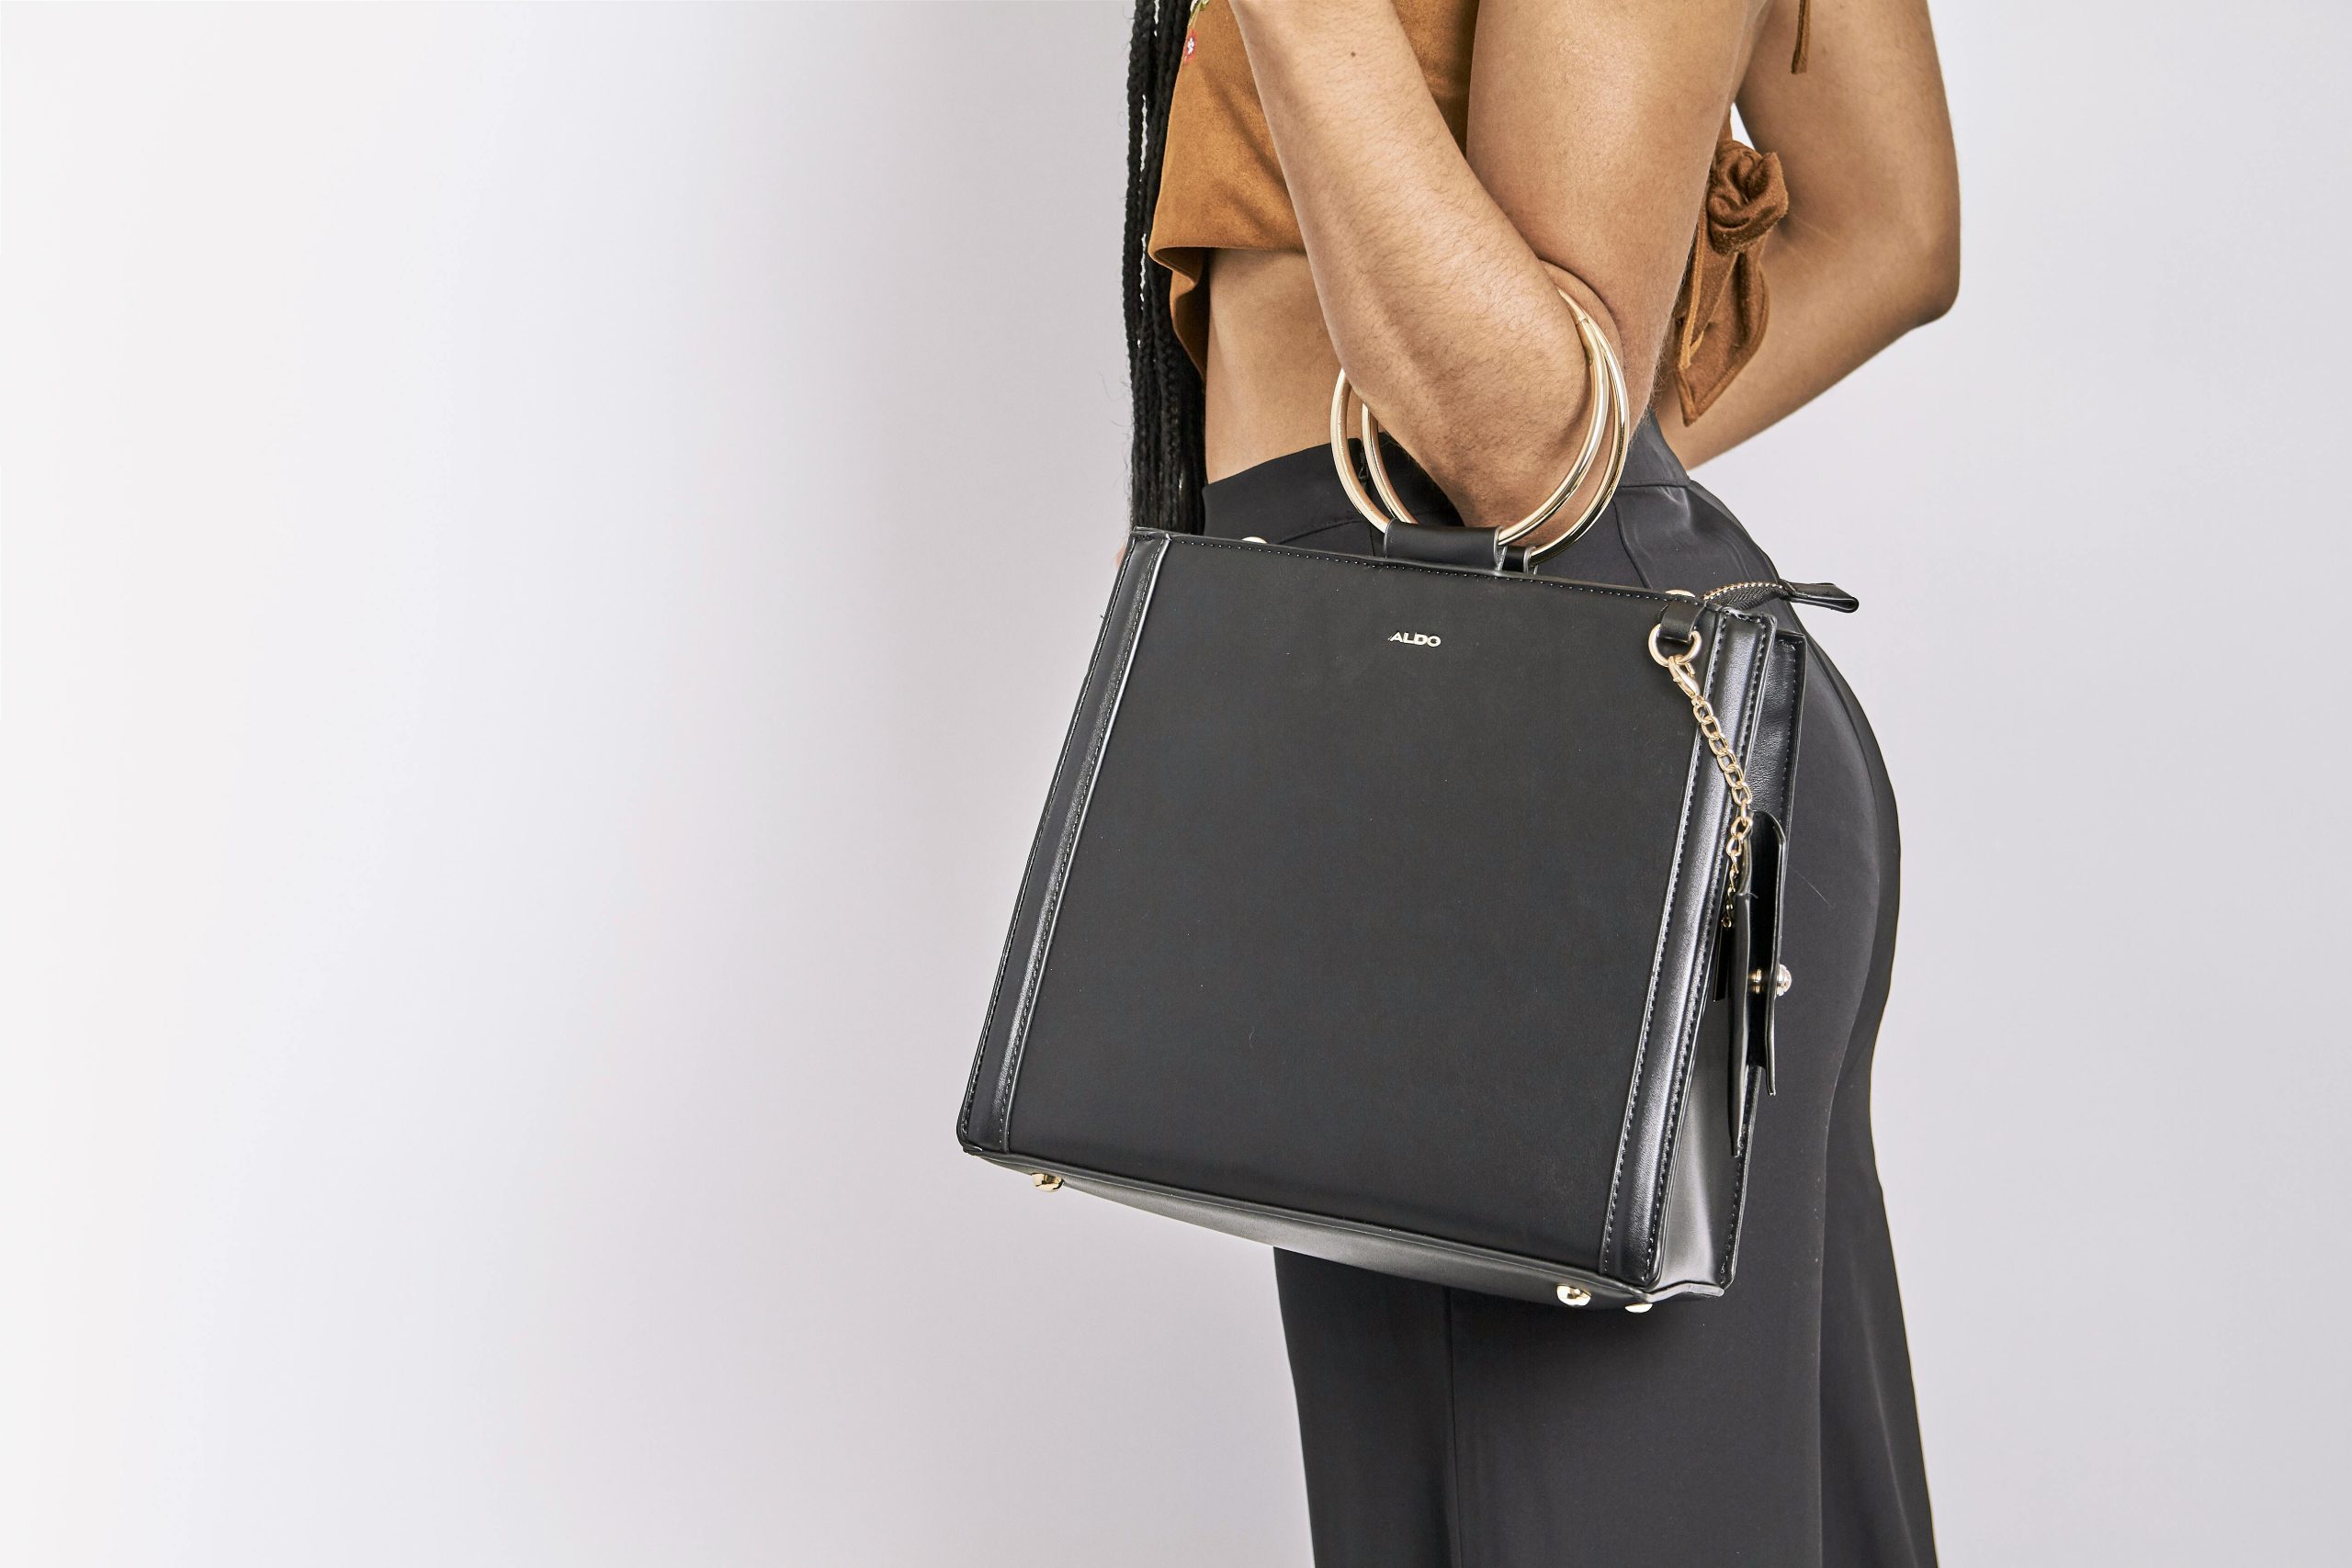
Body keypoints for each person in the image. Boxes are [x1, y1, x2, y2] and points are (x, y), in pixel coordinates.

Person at [1120, 1, 1960, 1563]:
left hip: (1533, 772)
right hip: (1440, 719)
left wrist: (1562, 452)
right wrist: (1583, 454)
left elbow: (1530, 446)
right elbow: (1890, 222)